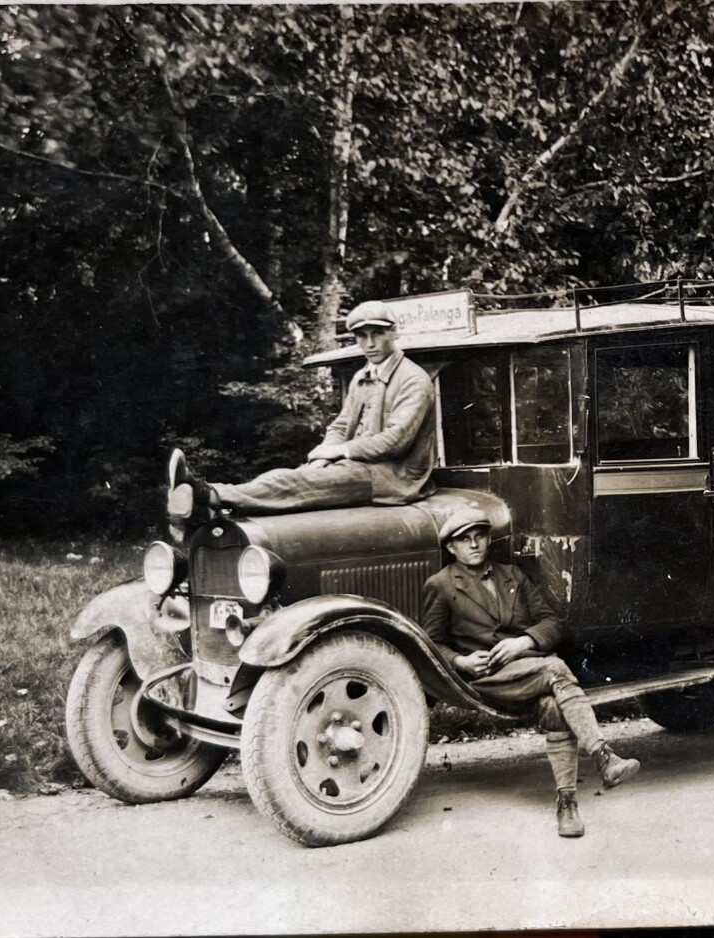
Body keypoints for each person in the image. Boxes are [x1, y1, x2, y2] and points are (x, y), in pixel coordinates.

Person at [420, 508, 641, 838]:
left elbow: (552, 624)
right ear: (451, 548)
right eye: (464, 540)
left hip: (529, 667)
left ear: (488, 538)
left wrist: (522, 642)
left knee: (555, 706)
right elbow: (430, 644)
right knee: (556, 668)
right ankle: (602, 757)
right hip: (488, 678)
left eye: (479, 535)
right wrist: (461, 663)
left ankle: (567, 805)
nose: (474, 544)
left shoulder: (513, 576)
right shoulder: (440, 585)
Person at [166, 300, 437, 539]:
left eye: (377, 334)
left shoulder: (414, 380)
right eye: (361, 336)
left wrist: (338, 451)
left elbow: (396, 441)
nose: (369, 344)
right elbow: (341, 426)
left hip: (395, 478)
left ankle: (204, 494)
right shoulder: (362, 377)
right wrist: (323, 457)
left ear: (395, 332)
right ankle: (206, 505)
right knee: (287, 477)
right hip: (359, 467)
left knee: (294, 484)